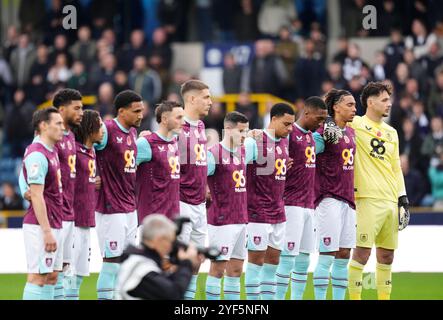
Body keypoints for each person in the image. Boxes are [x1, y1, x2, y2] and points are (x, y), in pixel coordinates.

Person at [325, 82, 409, 300]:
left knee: (387, 256)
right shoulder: (357, 123)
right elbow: (334, 120)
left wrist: (403, 198)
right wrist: (328, 115)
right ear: (370, 102)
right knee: (362, 254)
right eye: (384, 100)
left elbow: (396, 167)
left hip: (390, 200)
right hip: (366, 198)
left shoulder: (392, 133)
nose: (389, 104)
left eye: (389, 100)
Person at [274, 97, 328, 300]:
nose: (321, 123)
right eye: (319, 118)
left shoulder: (312, 138)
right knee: (287, 258)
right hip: (291, 204)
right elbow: (268, 154)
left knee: (304, 259)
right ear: (306, 114)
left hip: (309, 205)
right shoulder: (288, 134)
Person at [94, 90, 144, 300]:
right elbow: (83, 149)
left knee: (126, 263)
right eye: (136, 111)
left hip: (129, 207)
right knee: (111, 263)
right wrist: (93, 173)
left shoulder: (132, 133)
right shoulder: (106, 130)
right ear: (122, 112)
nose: (141, 115)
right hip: (110, 208)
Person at [244, 103, 295, 300]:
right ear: (273, 119)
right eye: (286, 124)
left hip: (278, 211)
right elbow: (238, 166)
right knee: (256, 263)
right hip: (257, 211)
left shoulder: (283, 141)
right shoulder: (254, 141)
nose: (290, 128)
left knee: (273, 264)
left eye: (291, 124)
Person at [312, 89, 357, 300]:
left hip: (348, 199)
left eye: (355, 105)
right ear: (336, 107)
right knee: (327, 255)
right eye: (349, 105)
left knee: (344, 255)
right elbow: (307, 152)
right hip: (328, 198)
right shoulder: (323, 133)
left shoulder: (351, 132)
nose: (354, 109)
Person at [205, 111, 249, 300]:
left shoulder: (243, 151)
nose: (244, 136)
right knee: (218, 269)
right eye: (241, 131)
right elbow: (198, 179)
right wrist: (205, 189)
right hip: (221, 220)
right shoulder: (213, 153)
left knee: (236, 269)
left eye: (246, 131)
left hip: (240, 217)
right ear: (228, 130)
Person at [21, 108, 64, 300]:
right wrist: (46, 232)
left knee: (51, 277)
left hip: (55, 220)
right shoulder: (38, 154)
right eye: (58, 123)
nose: (63, 128)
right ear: (43, 125)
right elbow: (37, 196)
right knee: (38, 277)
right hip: (40, 226)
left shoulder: (52, 150)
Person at [177, 80, 212, 300]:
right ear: (191, 99)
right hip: (180, 202)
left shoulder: (200, 127)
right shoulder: (176, 125)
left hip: (199, 203)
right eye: (206, 97)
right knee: (179, 262)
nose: (210, 102)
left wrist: (205, 184)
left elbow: (197, 162)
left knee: (196, 261)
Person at [116, 214, 199, 300]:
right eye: (171, 242)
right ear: (158, 240)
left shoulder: (139, 259)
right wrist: (186, 263)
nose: (171, 247)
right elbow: (174, 295)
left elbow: (165, 285)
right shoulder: (140, 266)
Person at [67, 110, 104, 300]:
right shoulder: (72, 149)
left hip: (86, 221)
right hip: (71, 221)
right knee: (67, 276)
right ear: (90, 127)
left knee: (79, 276)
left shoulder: (92, 151)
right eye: (99, 124)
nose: (103, 129)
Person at [51, 89, 84, 299]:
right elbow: (31, 161)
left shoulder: (71, 135)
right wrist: (26, 188)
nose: (81, 112)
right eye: (77, 108)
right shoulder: (48, 135)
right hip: (55, 213)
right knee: (51, 273)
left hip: (70, 211)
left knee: (66, 268)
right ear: (62, 110)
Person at [136, 101, 184, 227]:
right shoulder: (145, 143)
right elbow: (124, 172)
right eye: (178, 117)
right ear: (164, 119)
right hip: (151, 220)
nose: (183, 122)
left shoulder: (175, 142)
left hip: (173, 218)